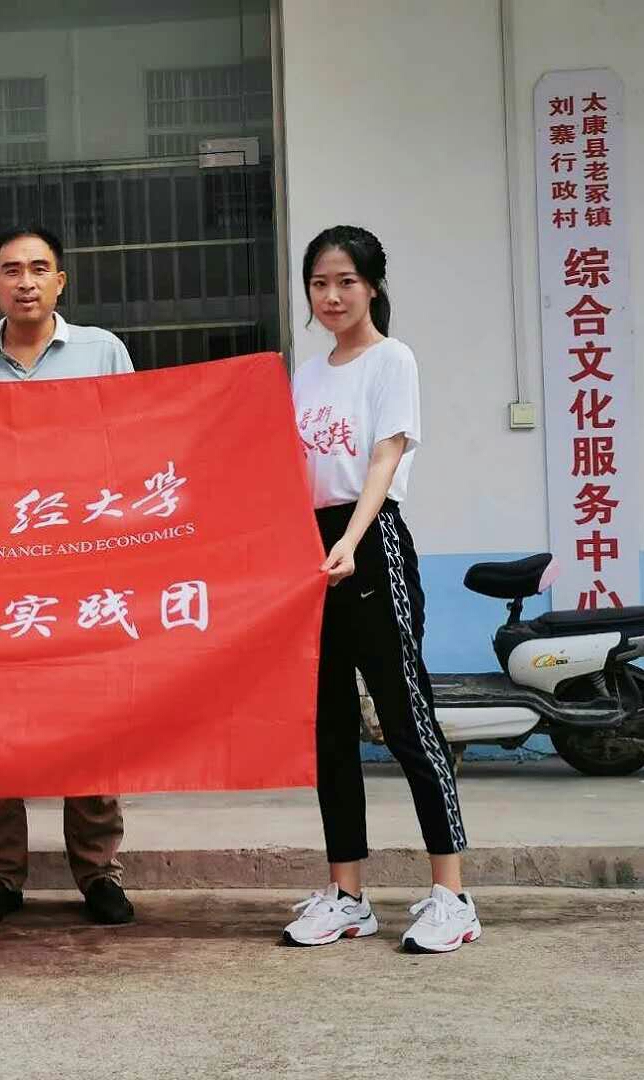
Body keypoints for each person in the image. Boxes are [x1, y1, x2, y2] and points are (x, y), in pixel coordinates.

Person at [283, 225, 478, 953]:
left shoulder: (392, 359)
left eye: (346, 282)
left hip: (370, 545)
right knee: (329, 728)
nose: (331, 296)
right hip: (311, 548)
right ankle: (347, 895)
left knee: (405, 719)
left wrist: (351, 540)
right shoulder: (307, 373)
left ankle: (451, 894)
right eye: (319, 283)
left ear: (371, 286)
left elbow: (383, 458)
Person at [0, 224, 136, 927]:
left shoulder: (102, 351)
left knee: (91, 716)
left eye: (39, 268)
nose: (26, 282)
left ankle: (99, 872)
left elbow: (132, 448)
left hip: (82, 562)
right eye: (11, 270)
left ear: (61, 281)